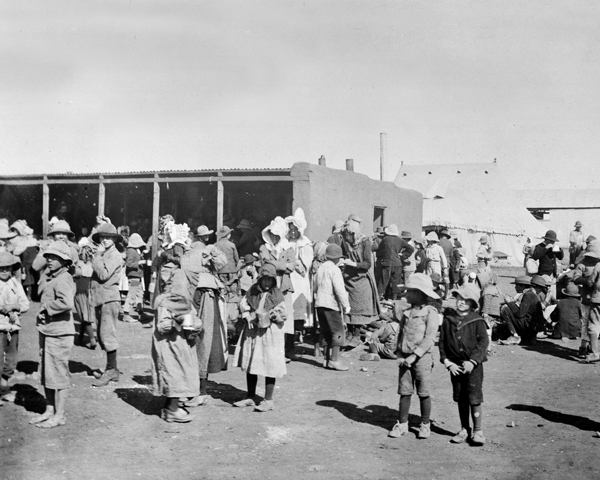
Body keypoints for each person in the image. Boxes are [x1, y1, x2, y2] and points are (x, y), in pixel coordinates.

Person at [29, 242, 76, 428]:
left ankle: (60, 414)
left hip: (60, 333)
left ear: (64, 261)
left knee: (59, 373)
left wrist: (47, 308)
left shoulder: (64, 278)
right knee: (47, 372)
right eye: (48, 256)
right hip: (48, 330)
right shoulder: (51, 276)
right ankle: (49, 410)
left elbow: (66, 303)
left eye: (54, 257)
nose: (49, 259)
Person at [388, 273, 439, 440]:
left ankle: (425, 424)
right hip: (405, 359)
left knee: (423, 392)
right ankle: (402, 423)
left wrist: (414, 356)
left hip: (422, 359)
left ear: (419, 294)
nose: (406, 294)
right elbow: (400, 335)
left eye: (409, 291)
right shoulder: (406, 313)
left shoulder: (430, 313)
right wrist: (400, 354)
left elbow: (429, 338)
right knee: (405, 391)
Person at [439, 283, 489, 446]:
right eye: (459, 298)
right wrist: (447, 362)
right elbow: (442, 343)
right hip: (455, 366)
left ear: (472, 304)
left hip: (473, 367)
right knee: (461, 398)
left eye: (466, 300)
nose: (461, 302)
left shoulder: (477, 321)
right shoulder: (448, 320)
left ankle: (478, 430)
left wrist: (473, 361)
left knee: (474, 397)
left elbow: (483, 342)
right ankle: (464, 429)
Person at [233, 263, 287, 412]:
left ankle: (268, 400)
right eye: (264, 280)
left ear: (274, 281)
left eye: (270, 280)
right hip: (253, 333)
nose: (267, 283)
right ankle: (250, 396)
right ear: (260, 279)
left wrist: (273, 315)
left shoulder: (277, 295)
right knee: (252, 363)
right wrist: (247, 315)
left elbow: (283, 314)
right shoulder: (253, 292)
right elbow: (244, 304)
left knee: (269, 364)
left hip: (270, 334)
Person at [180, 244, 229, 407]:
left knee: (203, 341)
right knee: (189, 339)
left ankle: (201, 391)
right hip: (190, 293)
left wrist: (211, 251)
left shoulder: (207, 251)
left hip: (205, 295)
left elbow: (222, 262)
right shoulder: (187, 251)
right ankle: (192, 389)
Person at [151, 267, 200, 423]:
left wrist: (196, 324)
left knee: (181, 373)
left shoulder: (185, 302)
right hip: (168, 345)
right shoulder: (164, 302)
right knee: (173, 374)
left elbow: (193, 317)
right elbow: (161, 326)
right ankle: (172, 410)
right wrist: (175, 321)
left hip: (183, 344)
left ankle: (172, 406)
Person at [90, 223, 124, 387]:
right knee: (103, 334)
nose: (104, 240)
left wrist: (96, 256)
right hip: (102, 298)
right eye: (102, 237)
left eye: (108, 237)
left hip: (109, 299)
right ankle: (113, 369)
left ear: (114, 239)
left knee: (107, 334)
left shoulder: (114, 255)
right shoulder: (105, 254)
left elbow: (103, 274)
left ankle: (111, 370)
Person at [259, 217, 296, 360]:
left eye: (276, 235)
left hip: (284, 287)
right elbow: (265, 263)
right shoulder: (264, 247)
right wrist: (282, 265)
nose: (274, 237)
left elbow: (291, 266)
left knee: (283, 318)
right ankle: (268, 351)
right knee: (268, 315)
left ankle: (281, 352)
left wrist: (274, 263)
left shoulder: (288, 247)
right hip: (268, 286)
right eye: (271, 234)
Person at [339, 220, 380, 346]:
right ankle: (350, 335)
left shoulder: (365, 242)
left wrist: (354, 264)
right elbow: (344, 255)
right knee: (349, 308)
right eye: (345, 235)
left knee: (358, 309)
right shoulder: (346, 243)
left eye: (348, 235)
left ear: (354, 233)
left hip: (361, 280)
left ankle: (356, 335)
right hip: (350, 278)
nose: (346, 237)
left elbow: (367, 264)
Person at [314, 244, 351, 371]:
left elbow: (315, 286)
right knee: (338, 332)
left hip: (319, 303)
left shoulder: (320, 268)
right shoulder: (335, 270)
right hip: (331, 304)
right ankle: (335, 360)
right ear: (336, 258)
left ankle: (326, 359)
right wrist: (346, 305)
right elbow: (339, 289)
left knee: (325, 331)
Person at [0, 252, 30, 404]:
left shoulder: (15, 284)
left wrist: (14, 306)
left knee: (11, 358)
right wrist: (5, 308)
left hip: (12, 328)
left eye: (7, 268)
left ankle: (4, 385)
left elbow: (25, 304)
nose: (4, 271)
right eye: (1, 268)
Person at [286, 208, 314, 343]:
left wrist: (295, 261)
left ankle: (298, 332)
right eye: (290, 229)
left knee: (298, 305)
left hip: (299, 280)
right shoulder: (286, 242)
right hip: (288, 278)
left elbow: (304, 267)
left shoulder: (305, 244)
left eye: (295, 230)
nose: (292, 232)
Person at [499, 275, 547, 346]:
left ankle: (515, 336)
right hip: (534, 327)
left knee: (504, 308)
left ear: (522, 286)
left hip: (529, 326)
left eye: (517, 285)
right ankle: (530, 338)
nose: (515, 287)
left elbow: (520, 314)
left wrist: (510, 302)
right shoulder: (532, 295)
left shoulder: (528, 295)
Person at [573, 241, 600, 358]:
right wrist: (588, 281)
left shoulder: (598, 264)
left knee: (594, 324)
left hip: (594, 298)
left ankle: (592, 348)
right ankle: (583, 346)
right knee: (585, 323)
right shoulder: (582, 264)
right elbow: (576, 278)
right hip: (587, 298)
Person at [376, 224, 414, 301]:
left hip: (387, 263)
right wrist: (403, 255)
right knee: (395, 283)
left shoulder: (385, 239)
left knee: (382, 282)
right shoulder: (400, 240)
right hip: (398, 264)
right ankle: (394, 300)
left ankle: (377, 299)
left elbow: (379, 251)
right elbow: (411, 249)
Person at [73, 238, 96, 349]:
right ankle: (81, 338)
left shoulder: (77, 267)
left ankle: (92, 339)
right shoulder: (92, 267)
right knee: (84, 317)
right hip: (89, 294)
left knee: (84, 317)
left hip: (80, 294)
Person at [123, 233, 146, 323]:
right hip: (134, 276)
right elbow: (129, 264)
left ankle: (140, 313)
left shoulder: (135, 250)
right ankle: (126, 314)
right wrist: (140, 262)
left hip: (137, 276)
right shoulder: (131, 251)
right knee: (132, 294)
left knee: (140, 294)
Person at [438, 230, 454, 297]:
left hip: (439, 261)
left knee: (438, 277)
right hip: (447, 261)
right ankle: (446, 295)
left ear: (441, 235)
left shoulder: (439, 242)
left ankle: (438, 293)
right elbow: (451, 254)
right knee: (446, 278)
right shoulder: (450, 243)